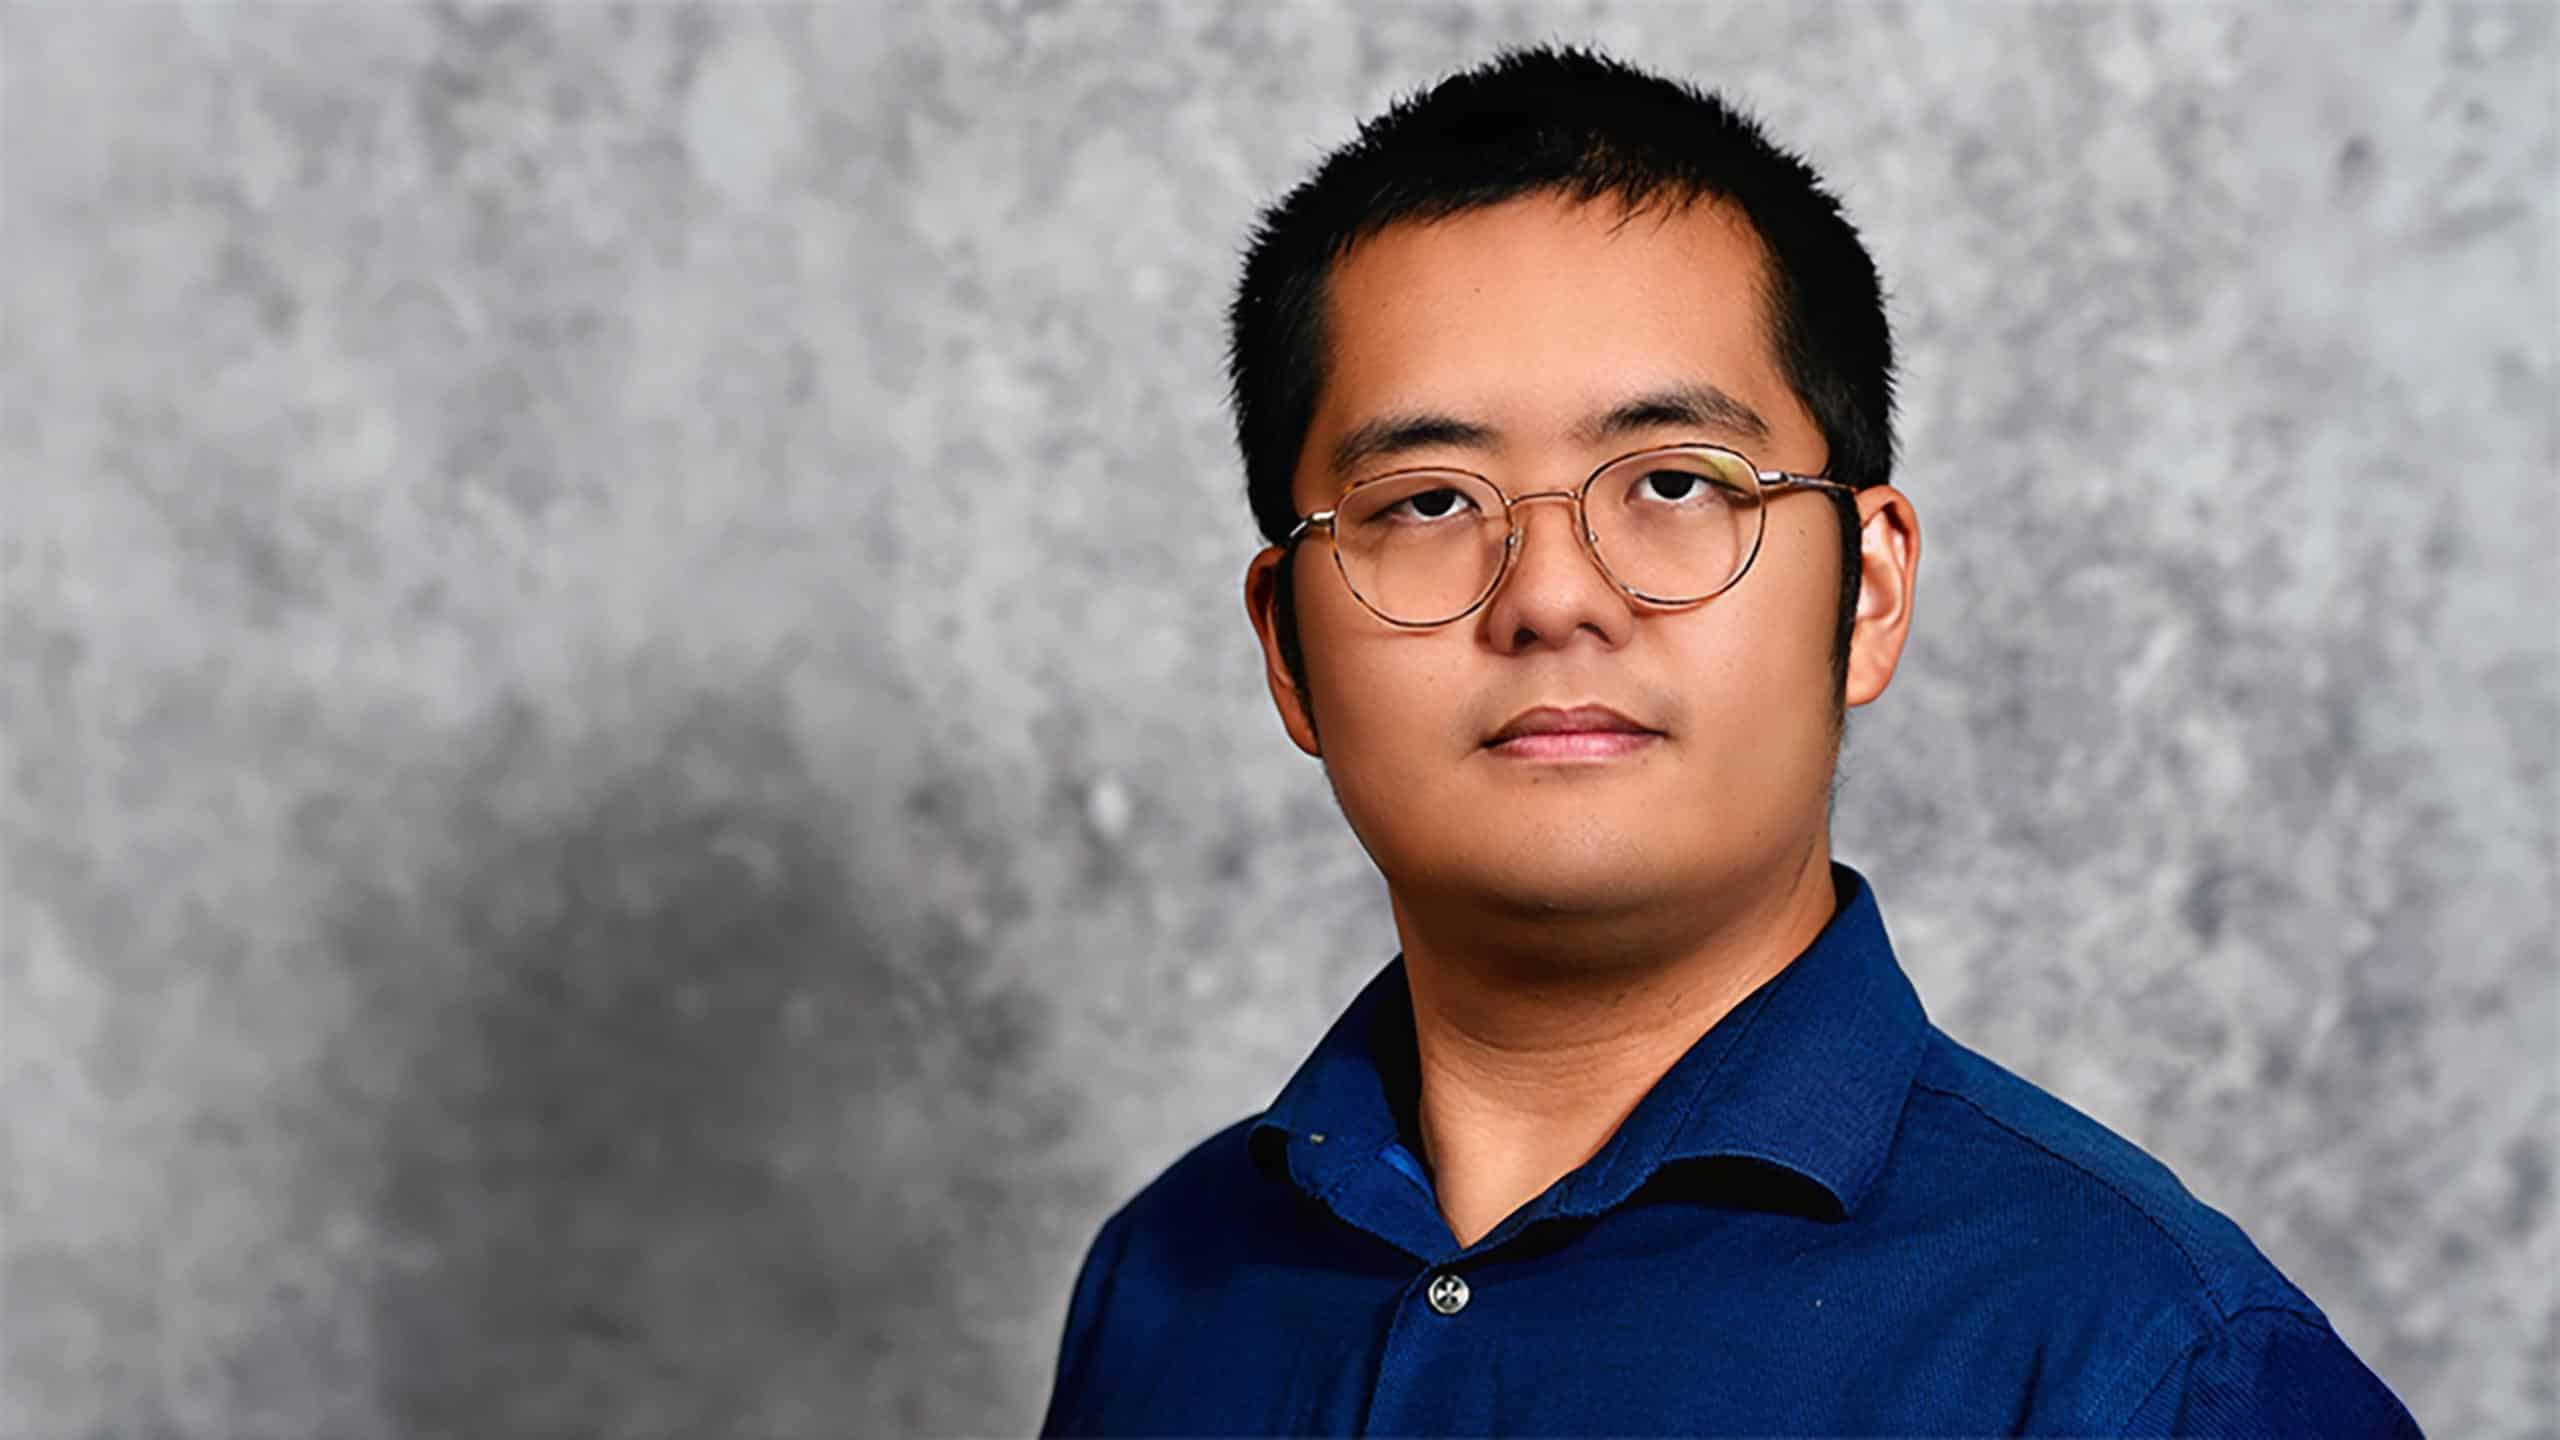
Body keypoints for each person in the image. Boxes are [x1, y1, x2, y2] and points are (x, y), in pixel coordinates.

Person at [1038, 45, 2421, 1437]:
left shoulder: (2158, 1362)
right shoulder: (1168, 1284)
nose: (1555, 597)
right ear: (1286, 649)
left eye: (1677, 481)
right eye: (1429, 502)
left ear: (1868, 591)